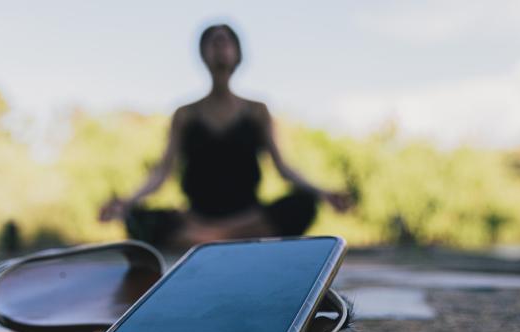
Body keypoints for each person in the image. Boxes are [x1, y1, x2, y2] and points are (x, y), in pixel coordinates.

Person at [99, 23, 355, 248]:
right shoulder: (185, 114)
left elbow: (283, 166)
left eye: (225, 40)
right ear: (203, 54)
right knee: (138, 220)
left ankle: (207, 239)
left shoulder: (257, 110)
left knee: (303, 204)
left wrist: (322, 193)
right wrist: (127, 202)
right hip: (198, 218)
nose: (219, 46)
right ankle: (225, 237)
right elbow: (162, 171)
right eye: (213, 41)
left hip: (247, 217)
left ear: (238, 53)